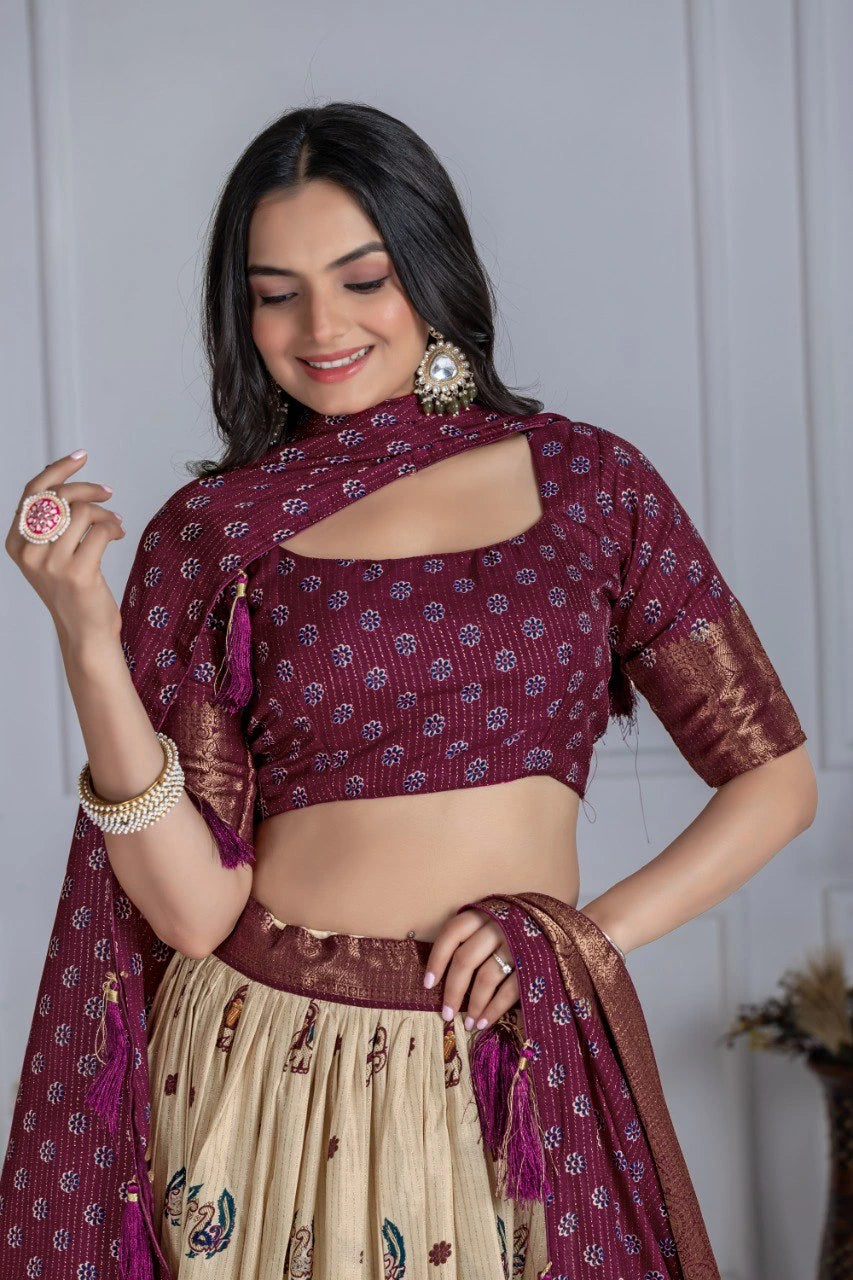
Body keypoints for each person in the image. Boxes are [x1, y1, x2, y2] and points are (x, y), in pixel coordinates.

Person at [1, 102, 816, 1280]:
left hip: (515, 1053)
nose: (320, 325)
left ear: (429, 270)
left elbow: (771, 776)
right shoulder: (218, 535)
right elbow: (187, 911)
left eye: (361, 276)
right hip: (268, 1069)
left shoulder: (590, 484)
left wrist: (582, 940)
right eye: (275, 291)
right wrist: (85, 634)